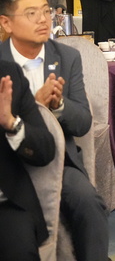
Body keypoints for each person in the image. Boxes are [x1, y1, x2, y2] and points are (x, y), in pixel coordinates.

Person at [0, 0, 110, 261]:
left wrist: (58, 105)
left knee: (88, 202)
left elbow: (83, 123)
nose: (43, 19)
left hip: (58, 161)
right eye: (31, 13)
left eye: (46, 11)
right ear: (6, 23)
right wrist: (35, 106)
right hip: (9, 161)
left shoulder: (67, 57)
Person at [0, 58, 57, 261]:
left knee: (21, 252)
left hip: (6, 205)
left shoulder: (8, 74)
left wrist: (10, 123)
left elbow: (45, 150)